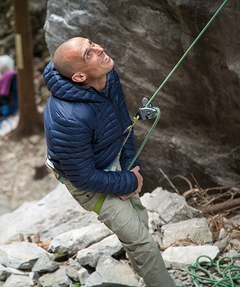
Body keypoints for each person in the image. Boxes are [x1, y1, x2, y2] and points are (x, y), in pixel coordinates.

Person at [43, 37, 176, 287]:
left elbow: (123, 122)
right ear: (80, 77)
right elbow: (83, 177)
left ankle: (142, 273)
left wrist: (130, 170)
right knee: (143, 242)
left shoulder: (107, 75)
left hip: (107, 156)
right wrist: (127, 182)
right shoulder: (67, 118)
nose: (100, 49)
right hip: (86, 181)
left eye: (92, 43)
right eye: (88, 54)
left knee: (141, 220)